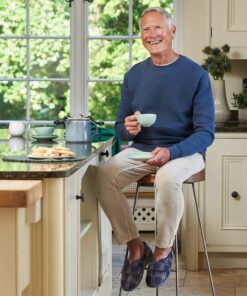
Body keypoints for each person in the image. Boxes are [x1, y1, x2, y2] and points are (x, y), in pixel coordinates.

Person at [95, 7, 215, 291]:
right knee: (102, 175)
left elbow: (205, 133)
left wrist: (172, 153)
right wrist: (128, 129)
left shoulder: (195, 75)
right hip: (144, 148)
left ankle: (163, 250)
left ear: (172, 32)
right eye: (145, 30)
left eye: (157, 28)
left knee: (167, 177)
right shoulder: (134, 75)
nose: (151, 35)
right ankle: (137, 248)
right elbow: (121, 127)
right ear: (141, 37)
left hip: (185, 152)